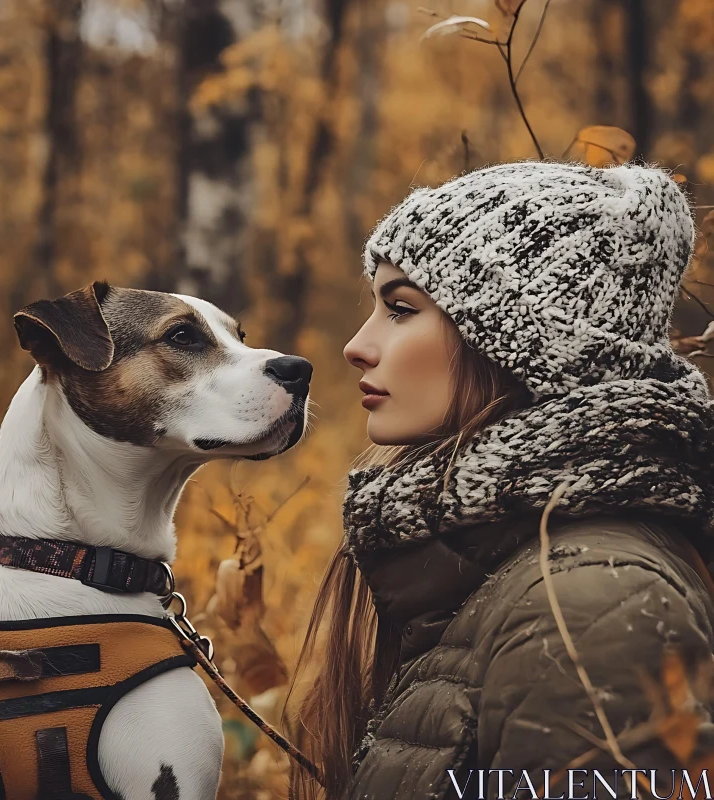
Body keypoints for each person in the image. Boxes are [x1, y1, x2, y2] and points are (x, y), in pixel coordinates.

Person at [287, 161, 714, 800]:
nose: (356, 345)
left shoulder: (594, 605)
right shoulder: (500, 560)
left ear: (525, 345)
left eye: (401, 309)